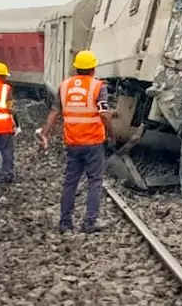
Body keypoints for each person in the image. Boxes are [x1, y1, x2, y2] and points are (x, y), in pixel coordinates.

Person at [40, 50, 115, 233]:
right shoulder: (98, 87)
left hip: (73, 142)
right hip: (93, 142)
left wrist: (45, 134)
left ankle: (65, 223)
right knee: (95, 181)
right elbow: (104, 113)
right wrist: (111, 134)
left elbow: (54, 112)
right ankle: (89, 222)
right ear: (93, 69)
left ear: (76, 69)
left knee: (70, 182)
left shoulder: (64, 86)